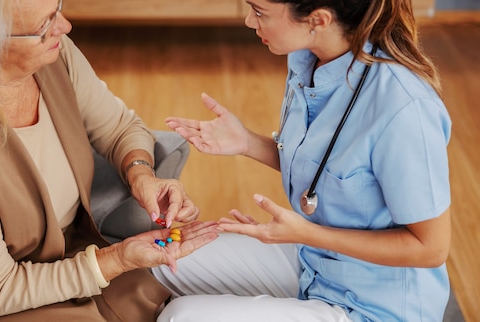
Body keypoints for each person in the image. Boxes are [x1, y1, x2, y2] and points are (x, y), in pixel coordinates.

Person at [0, 0, 218, 321]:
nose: (64, 26)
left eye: (58, 8)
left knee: (164, 298)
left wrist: (141, 174)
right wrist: (118, 259)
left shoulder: (53, 58)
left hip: (60, 260)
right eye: (44, 25)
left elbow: (118, 127)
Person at [153, 0, 452, 321]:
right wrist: (246, 142)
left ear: (318, 20)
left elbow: (430, 248)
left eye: (259, 12)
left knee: (182, 316)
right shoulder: (307, 61)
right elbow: (327, 170)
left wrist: (305, 233)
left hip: (376, 304)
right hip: (316, 260)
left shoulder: (405, 107)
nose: (248, 21)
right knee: (159, 261)